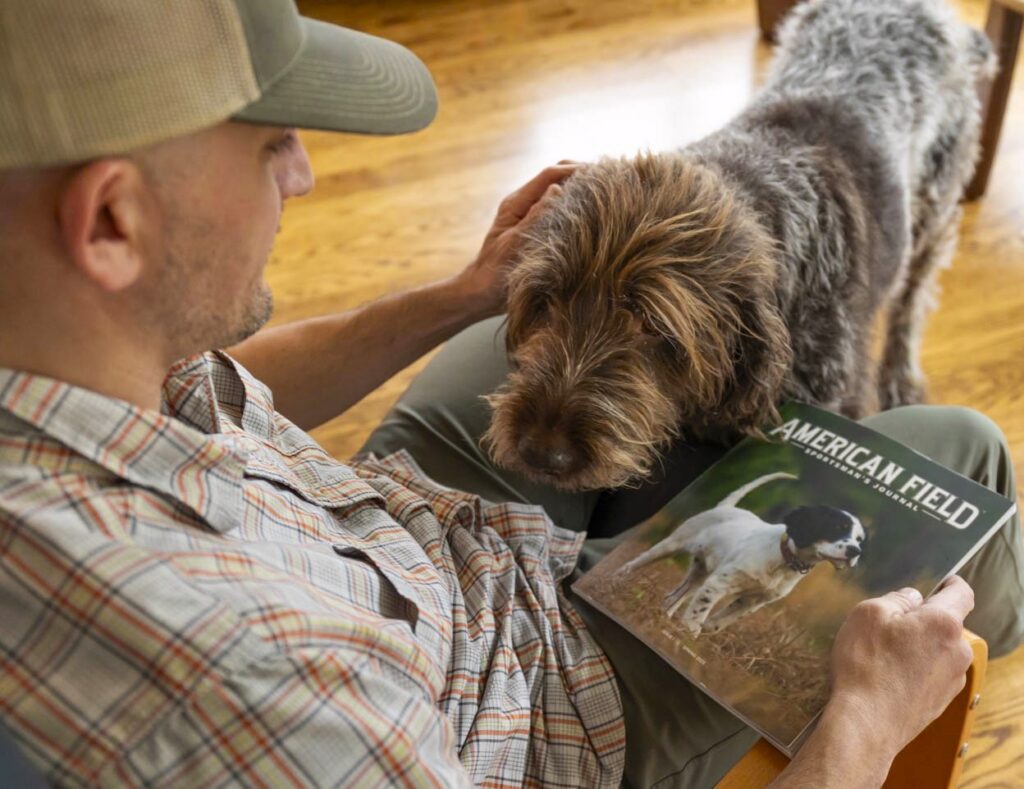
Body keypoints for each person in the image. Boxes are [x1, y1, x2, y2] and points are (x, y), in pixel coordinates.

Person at [0, 1, 1021, 786]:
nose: (302, 173)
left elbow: (211, 382)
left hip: (384, 530)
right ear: (113, 222)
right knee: (960, 446)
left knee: (553, 341)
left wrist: (455, 298)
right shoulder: (267, 696)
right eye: (270, 145)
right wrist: (865, 720)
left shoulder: (62, 349)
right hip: (549, 706)